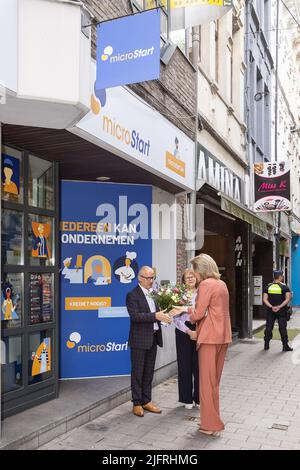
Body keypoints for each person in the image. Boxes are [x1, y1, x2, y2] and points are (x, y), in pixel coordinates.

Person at [170, 254, 232, 437]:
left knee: (206, 383)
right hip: (223, 337)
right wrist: (185, 309)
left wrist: (180, 314)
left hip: (209, 338)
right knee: (214, 383)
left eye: (195, 271)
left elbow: (198, 314)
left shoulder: (205, 284)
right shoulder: (222, 284)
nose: (194, 276)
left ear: (200, 270)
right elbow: (212, 310)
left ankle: (209, 425)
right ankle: (213, 421)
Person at [126, 266, 172, 418]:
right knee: (138, 373)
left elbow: (157, 315)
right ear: (139, 278)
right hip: (139, 340)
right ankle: (137, 403)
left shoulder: (154, 294)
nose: (151, 281)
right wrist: (156, 316)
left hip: (153, 337)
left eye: (153, 278)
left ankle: (146, 401)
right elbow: (135, 317)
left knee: (148, 372)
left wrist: (164, 319)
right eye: (148, 278)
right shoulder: (132, 295)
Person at [172, 269, 199, 410]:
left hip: (199, 329)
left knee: (199, 365)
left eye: (192, 276)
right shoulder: (178, 295)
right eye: (187, 277)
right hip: (183, 331)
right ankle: (186, 398)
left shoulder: (202, 293)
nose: (190, 279)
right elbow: (175, 318)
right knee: (184, 365)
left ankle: (199, 398)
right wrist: (188, 331)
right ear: (183, 280)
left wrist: (196, 331)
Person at [263, 270, 293, 352]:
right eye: (282, 276)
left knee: (269, 327)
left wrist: (272, 306)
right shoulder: (284, 287)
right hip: (281, 311)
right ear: (280, 277)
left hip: (270, 311)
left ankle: (266, 344)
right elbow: (288, 299)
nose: (282, 277)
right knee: (282, 328)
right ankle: (285, 346)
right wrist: (279, 307)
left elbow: (265, 299)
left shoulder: (268, 287)